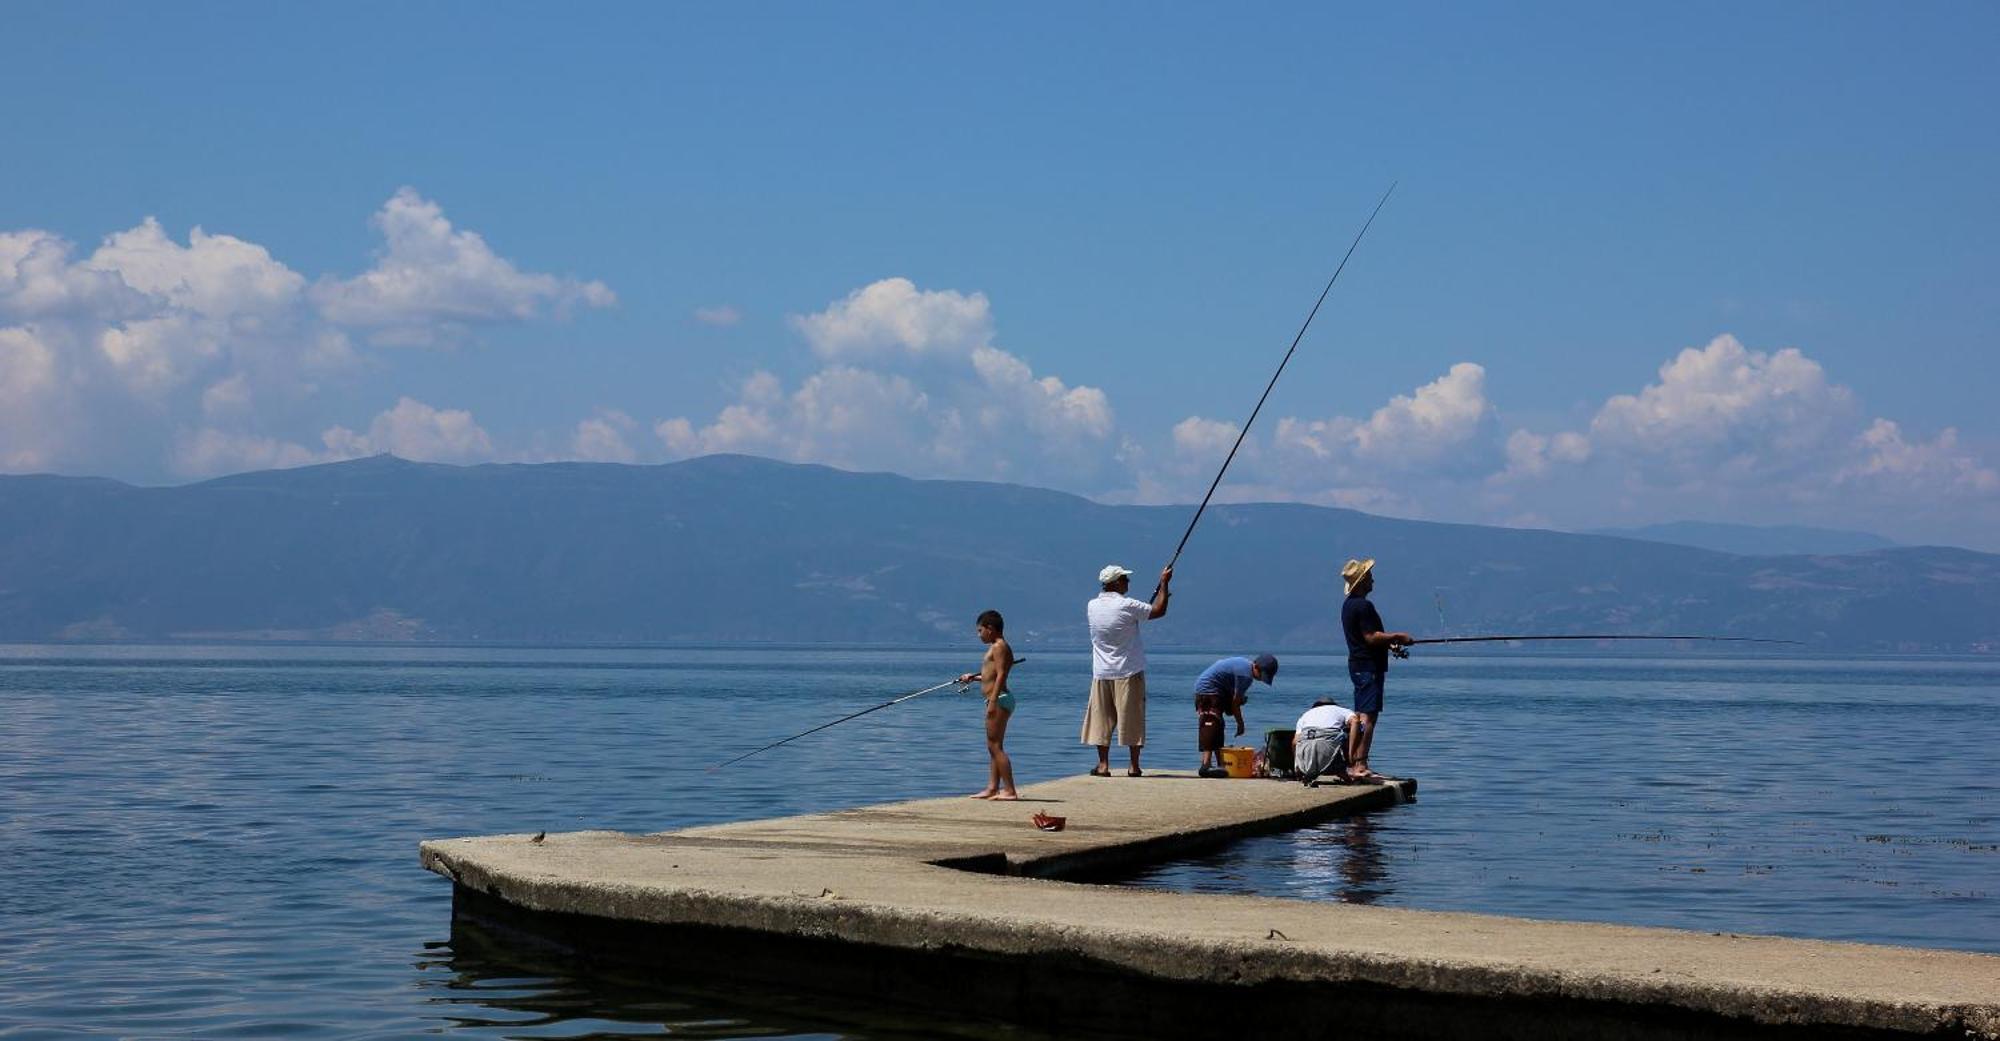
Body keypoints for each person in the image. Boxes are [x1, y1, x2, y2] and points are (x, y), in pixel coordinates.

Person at [1083, 563, 1172, 777]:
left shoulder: (1092, 605)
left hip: (1101, 672)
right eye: (1124, 579)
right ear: (1115, 583)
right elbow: (1159, 611)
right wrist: (1164, 584)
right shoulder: (1127, 605)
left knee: (1101, 720)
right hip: (1128, 671)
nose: (1128, 582)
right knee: (1132, 719)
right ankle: (1134, 766)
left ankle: (1103, 765)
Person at [1340, 558, 1410, 780]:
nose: (1373, 580)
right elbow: (1370, 637)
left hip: (1358, 665)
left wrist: (1389, 644)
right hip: (1368, 667)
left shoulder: (1349, 605)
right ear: (1361, 582)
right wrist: (1398, 636)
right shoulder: (1363, 606)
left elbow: (1367, 638)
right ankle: (1359, 764)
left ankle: (1355, 762)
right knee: (1368, 718)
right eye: (1369, 577)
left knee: (1360, 716)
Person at [957, 609, 1017, 800]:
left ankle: (1009, 790)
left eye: (980, 630)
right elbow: (990, 675)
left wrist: (992, 701)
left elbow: (1001, 675)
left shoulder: (999, 646)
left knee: (995, 746)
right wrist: (972, 678)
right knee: (993, 745)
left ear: (990, 629)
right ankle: (992, 787)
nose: (979, 634)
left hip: (999, 699)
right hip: (997, 698)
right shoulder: (996, 647)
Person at [1193, 653, 1278, 777]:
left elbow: (1234, 699)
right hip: (1207, 691)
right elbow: (1235, 704)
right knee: (1211, 723)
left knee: (1218, 726)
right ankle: (1205, 765)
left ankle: (1220, 765)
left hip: (1219, 691)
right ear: (1256, 666)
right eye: (1261, 675)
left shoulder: (1245, 667)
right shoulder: (1245, 675)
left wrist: (1237, 701)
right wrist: (1240, 724)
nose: (1260, 679)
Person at [1292, 698, 1358, 786]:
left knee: (1308, 741)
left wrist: (1298, 765)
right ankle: (1347, 768)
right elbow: (1355, 721)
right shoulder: (1342, 710)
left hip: (1306, 753)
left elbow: (1295, 742)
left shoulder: (1306, 714)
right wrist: (1351, 754)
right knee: (1351, 732)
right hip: (1328, 745)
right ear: (1334, 704)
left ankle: (1302, 771)